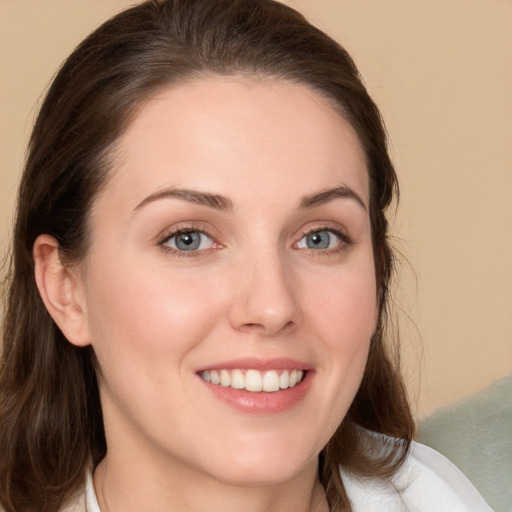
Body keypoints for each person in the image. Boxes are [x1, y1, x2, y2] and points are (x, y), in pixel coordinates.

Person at [0, 1, 493, 511]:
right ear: (66, 289)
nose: (271, 306)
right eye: (188, 238)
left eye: (320, 237)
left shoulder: (440, 496)